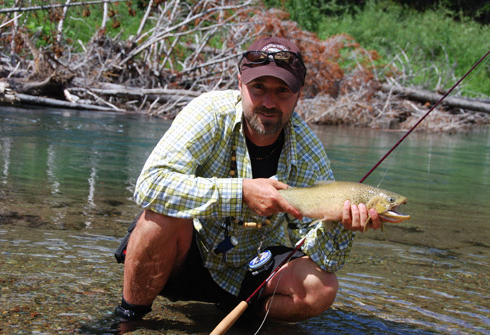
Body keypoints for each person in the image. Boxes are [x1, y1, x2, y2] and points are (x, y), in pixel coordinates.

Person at [114, 36, 381, 323]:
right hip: (186, 257)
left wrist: (340, 227)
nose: (269, 102)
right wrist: (240, 192)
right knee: (160, 215)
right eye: (259, 88)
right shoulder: (209, 113)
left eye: (282, 91)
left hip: (255, 275)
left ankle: (250, 323)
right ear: (240, 83)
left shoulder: (309, 151)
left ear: (298, 95)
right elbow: (150, 185)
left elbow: (325, 261)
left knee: (322, 288)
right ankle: (128, 320)